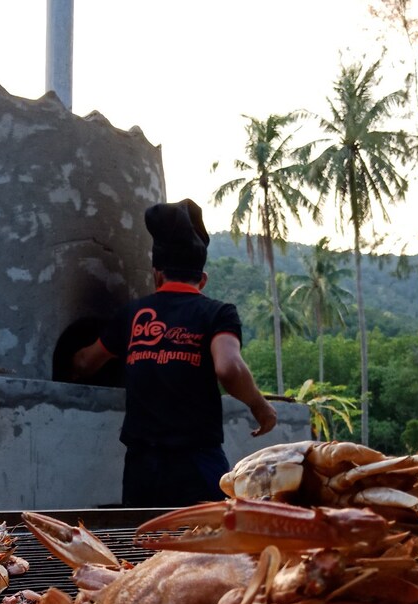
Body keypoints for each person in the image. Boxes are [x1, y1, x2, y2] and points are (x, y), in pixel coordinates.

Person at [72, 198, 277, 507]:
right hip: (198, 462)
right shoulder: (217, 313)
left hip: (143, 468)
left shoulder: (132, 314)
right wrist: (261, 407)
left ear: (157, 275)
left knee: (141, 547)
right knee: (209, 547)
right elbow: (229, 368)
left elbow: (86, 362)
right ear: (202, 279)